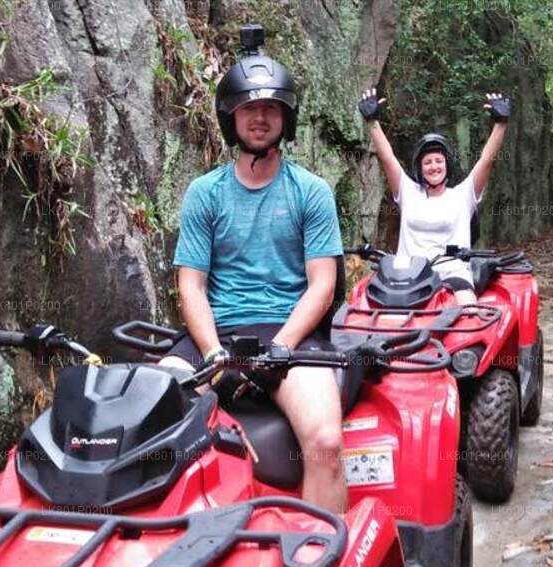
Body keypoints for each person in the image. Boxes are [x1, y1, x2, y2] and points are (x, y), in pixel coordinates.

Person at [158, 25, 348, 513]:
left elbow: (322, 285)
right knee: (149, 418)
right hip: (216, 331)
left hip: (290, 332)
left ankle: (322, 555)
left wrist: (280, 350)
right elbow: (191, 286)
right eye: (248, 108)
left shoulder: (311, 192)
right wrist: (215, 356)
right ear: (231, 118)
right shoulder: (205, 193)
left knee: (325, 443)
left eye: (270, 108)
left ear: (286, 117)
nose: (260, 118)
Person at [357, 88, 511, 304]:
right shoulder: (408, 192)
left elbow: (486, 160)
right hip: (405, 277)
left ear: (447, 165)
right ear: (419, 168)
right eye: (427, 162)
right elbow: (387, 157)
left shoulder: (463, 195)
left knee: (469, 311)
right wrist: (372, 122)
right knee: (363, 306)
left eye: (439, 161)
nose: (434, 166)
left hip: (452, 275)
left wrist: (500, 124)